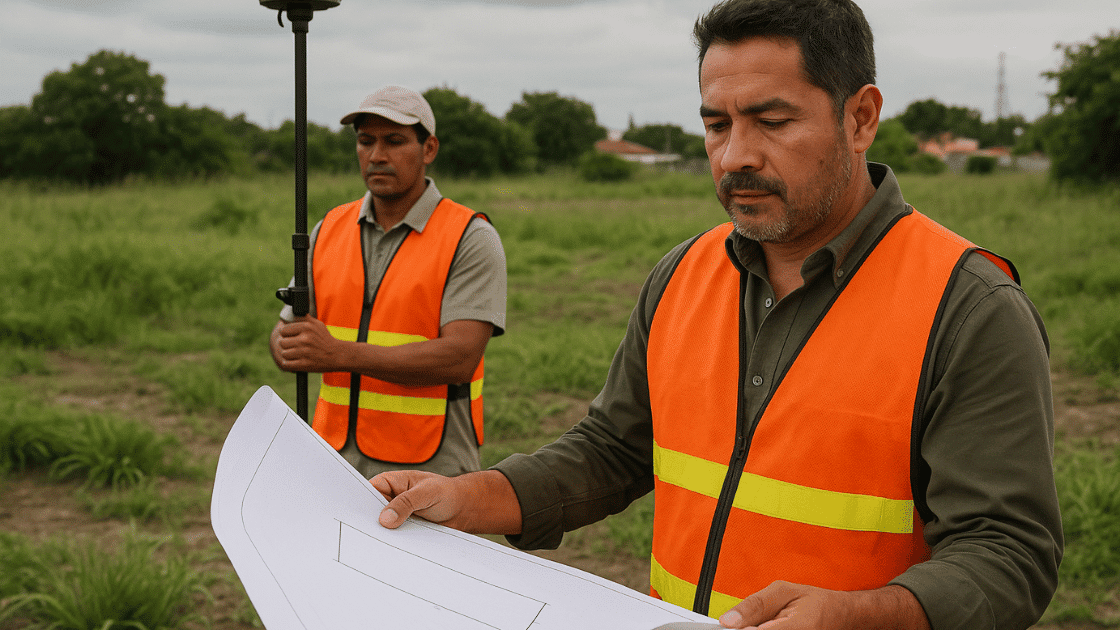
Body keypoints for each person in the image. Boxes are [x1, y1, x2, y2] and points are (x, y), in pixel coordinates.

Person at [371, 1, 1063, 628]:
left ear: (860, 117)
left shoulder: (968, 307)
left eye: (772, 121)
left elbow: (1008, 555)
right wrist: (471, 497)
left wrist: (857, 617)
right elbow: (613, 449)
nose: (735, 156)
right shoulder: (682, 274)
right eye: (716, 124)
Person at [271, 85, 507, 479]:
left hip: (432, 471)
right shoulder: (327, 229)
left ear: (428, 149)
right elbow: (286, 334)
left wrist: (339, 354)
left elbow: (460, 357)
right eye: (366, 142)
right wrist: (286, 345)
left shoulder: (469, 236)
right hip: (333, 465)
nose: (377, 156)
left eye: (395, 142)